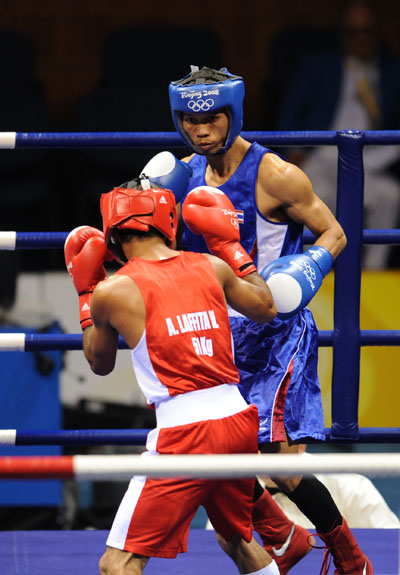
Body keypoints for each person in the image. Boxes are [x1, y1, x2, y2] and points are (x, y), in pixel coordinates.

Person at [140, 65, 373, 574]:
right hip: (214, 335)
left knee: (281, 465)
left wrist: (303, 272)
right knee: (215, 454)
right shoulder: (182, 176)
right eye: (189, 121)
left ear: (234, 114)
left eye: (212, 120)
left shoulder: (276, 175)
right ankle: (282, 538)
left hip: (275, 332)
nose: (200, 131)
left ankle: (351, 559)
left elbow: (333, 234)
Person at [64, 176, 280, 575]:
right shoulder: (212, 266)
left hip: (186, 434)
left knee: (117, 564)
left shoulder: (112, 291)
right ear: (168, 219)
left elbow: (99, 363)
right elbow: (267, 306)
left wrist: (85, 295)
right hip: (237, 421)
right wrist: (232, 248)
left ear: (113, 233)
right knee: (237, 540)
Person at [276, 0, 400, 269]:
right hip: (324, 152)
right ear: (343, 34)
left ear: (377, 33)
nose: (361, 38)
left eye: (367, 31)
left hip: (369, 158)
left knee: (391, 195)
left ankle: (372, 274)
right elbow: (290, 114)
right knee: (315, 195)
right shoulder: (317, 67)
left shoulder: (392, 71)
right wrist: (292, 152)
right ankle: (310, 270)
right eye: (354, 32)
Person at [261, 445, 400, 530]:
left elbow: (391, 546)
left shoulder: (348, 483)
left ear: (301, 442)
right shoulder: (239, 486)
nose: (266, 447)